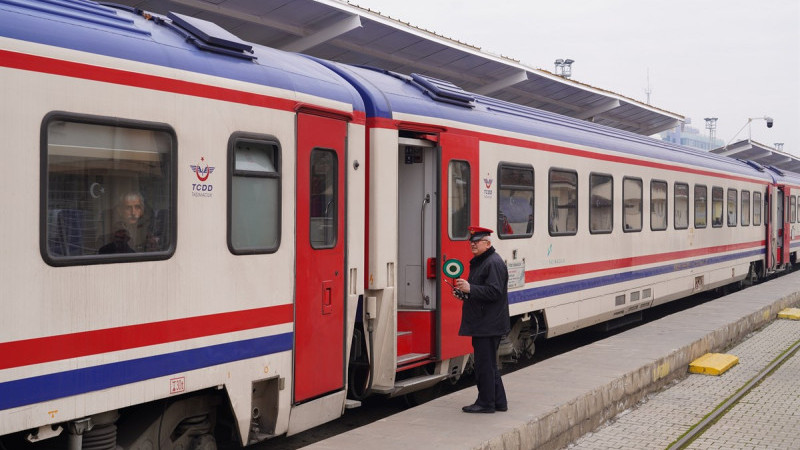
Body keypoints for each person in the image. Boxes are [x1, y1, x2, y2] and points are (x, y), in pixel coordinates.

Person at [454, 225, 510, 413]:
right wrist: (466, 293)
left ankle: (486, 403)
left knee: (484, 366)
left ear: (487, 243)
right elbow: (482, 290)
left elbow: (494, 291)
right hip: (485, 321)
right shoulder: (483, 261)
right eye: (471, 242)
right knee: (489, 365)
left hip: (488, 323)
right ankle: (499, 402)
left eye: (476, 242)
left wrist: (471, 289)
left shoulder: (492, 262)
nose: (473, 245)